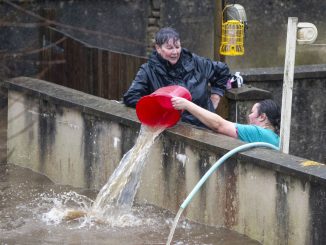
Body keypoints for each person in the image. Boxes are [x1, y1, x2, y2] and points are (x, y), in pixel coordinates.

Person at [123, 27, 231, 127]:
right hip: (173, 129)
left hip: (205, 126)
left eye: (177, 47)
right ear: (158, 48)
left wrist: (216, 95)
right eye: (169, 48)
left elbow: (222, 70)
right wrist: (157, 106)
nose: (175, 52)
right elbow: (131, 96)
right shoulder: (148, 70)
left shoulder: (195, 62)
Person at [171, 97, 281, 147]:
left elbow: (219, 125)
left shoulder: (258, 133)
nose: (249, 115)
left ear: (262, 117)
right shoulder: (275, 138)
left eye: (252, 112)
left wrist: (187, 105)